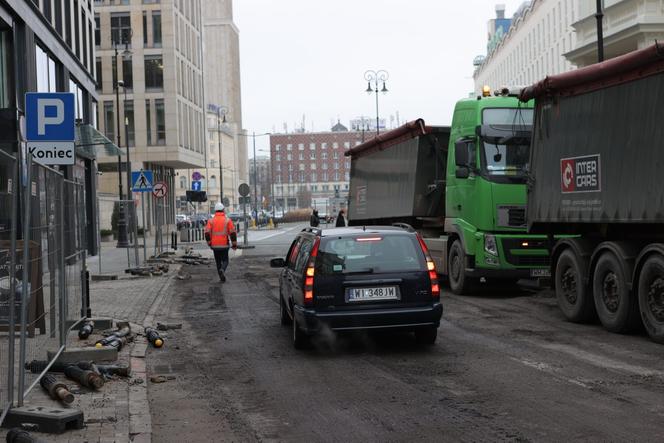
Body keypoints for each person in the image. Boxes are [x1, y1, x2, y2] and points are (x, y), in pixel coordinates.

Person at [205, 203, 237, 282]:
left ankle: (220, 275)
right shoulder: (227, 220)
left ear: (215, 210)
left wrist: (209, 243)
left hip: (215, 246)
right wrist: (234, 244)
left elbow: (207, 233)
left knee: (218, 261)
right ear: (223, 210)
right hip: (224, 245)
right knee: (225, 260)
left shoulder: (211, 221)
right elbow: (232, 233)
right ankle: (222, 269)